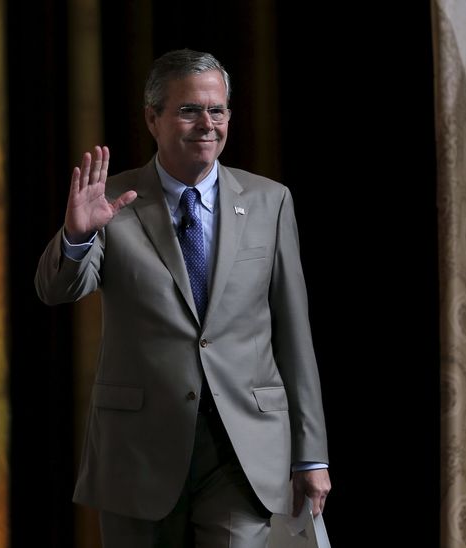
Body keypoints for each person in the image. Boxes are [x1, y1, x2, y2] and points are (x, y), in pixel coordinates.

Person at [35, 48, 330, 548]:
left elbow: (293, 332)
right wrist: (77, 235)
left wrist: (311, 454)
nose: (206, 124)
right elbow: (56, 290)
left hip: (243, 452)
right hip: (139, 453)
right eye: (189, 110)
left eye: (217, 110)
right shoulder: (113, 203)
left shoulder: (270, 201)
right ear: (153, 117)